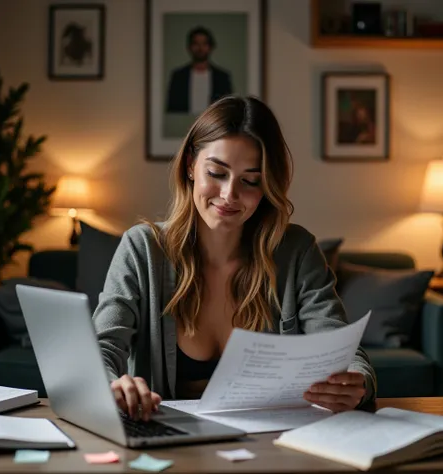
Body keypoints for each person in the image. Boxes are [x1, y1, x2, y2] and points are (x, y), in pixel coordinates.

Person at [93, 95, 377, 421]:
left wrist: (358, 382)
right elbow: (101, 350)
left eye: (250, 180)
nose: (229, 195)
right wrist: (112, 385)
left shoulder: (297, 251)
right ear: (190, 165)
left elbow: (343, 352)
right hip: (166, 442)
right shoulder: (142, 248)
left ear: (267, 184)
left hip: (270, 445)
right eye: (217, 172)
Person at [166, 26, 233, 115]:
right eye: (196, 44)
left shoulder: (222, 78)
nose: (200, 48)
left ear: (210, 47)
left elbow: (229, 111)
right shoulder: (178, 76)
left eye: (204, 44)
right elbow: (172, 110)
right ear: (190, 47)